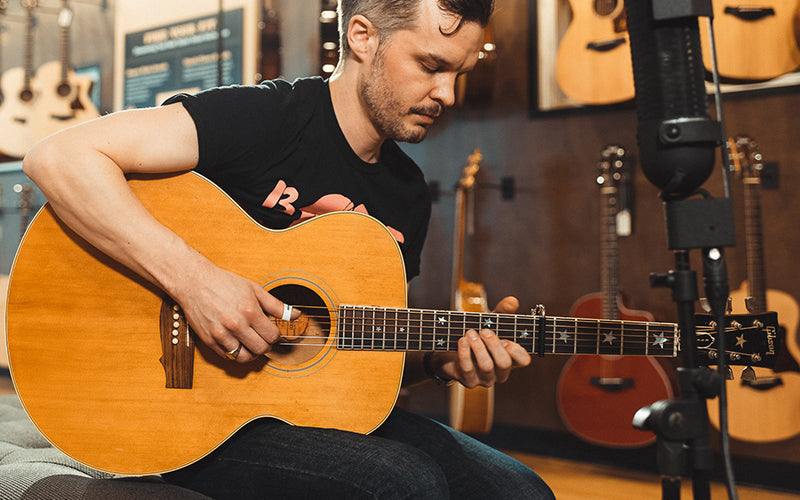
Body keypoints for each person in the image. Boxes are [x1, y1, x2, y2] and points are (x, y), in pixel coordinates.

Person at [23, 0, 555, 498]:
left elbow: (362, 346)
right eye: (430, 65)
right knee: (404, 484)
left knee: (521, 490)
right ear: (363, 36)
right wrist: (197, 282)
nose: (447, 94)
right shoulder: (266, 118)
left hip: (299, 409)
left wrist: (441, 361)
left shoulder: (408, 193)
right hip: (181, 409)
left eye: (458, 73)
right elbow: (60, 156)